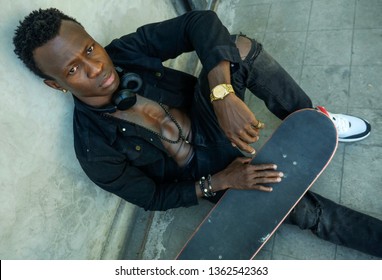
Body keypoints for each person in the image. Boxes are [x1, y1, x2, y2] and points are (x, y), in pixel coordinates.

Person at [13, 8, 381, 258]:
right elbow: (153, 197)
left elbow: (200, 22)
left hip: (209, 117)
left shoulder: (124, 52)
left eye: (90, 48)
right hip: (204, 172)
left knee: (238, 47)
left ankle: (312, 121)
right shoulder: (93, 148)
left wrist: (221, 94)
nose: (95, 67)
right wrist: (221, 181)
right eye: (73, 69)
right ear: (55, 84)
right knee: (307, 213)